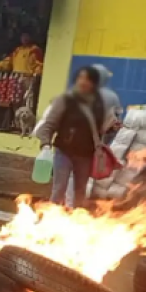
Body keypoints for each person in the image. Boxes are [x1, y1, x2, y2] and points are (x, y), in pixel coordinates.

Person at [34, 66, 113, 209]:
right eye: (80, 78)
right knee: (59, 189)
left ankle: (73, 221)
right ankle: (51, 221)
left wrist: (112, 126)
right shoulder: (64, 100)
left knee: (79, 192)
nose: (83, 82)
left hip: (86, 156)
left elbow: (101, 129)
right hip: (64, 152)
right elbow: (48, 124)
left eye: (87, 79)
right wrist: (45, 144)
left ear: (94, 83)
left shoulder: (99, 104)